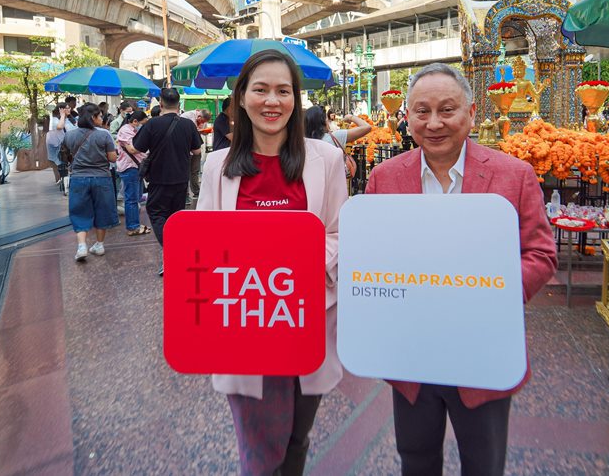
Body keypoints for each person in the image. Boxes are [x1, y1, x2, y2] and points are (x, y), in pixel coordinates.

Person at [365, 63, 557, 476]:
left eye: (447, 110)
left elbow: (540, 255)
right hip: (411, 354)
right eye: (422, 111)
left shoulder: (514, 176)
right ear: (408, 118)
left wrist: (488, 295)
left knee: (483, 463)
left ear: (470, 113)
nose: (434, 123)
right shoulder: (384, 179)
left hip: (483, 352)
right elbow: (367, 257)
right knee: (415, 459)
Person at [196, 49, 348, 476]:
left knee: (297, 441)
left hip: (307, 322)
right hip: (244, 329)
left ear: (295, 100)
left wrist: (301, 258)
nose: (272, 101)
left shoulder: (327, 160)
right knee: (259, 451)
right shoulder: (216, 167)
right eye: (260, 89)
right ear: (241, 97)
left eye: (284, 91)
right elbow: (204, 245)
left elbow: (339, 234)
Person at [132, 88, 202, 272]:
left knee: (156, 213)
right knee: (175, 217)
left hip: (159, 178)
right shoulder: (188, 125)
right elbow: (197, 151)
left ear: (161, 104)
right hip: (181, 178)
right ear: (179, 105)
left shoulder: (152, 124)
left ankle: (173, 253)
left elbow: (137, 147)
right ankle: (175, 254)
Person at [64, 103, 118, 260]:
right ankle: (99, 245)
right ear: (93, 117)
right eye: (100, 116)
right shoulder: (104, 135)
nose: (102, 118)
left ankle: (82, 246)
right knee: (102, 210)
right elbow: (112, 158)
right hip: (102, 178)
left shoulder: (70, 135)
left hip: (78, 178)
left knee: (80, 211)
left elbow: (68, 154)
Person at [116, 110, 151, 236]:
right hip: (129, 167)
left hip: (136, 167)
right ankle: (133, 227)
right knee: (131, 199)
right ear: (135, 121)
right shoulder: (125, 130)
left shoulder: (134, 130)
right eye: (143, 123)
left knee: (136, 197)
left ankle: (135, 224)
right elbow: (132, 149)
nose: (144, 126)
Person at [304, 105, 371, 149]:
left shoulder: (303, 144)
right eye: (326, 119)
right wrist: (350, 117)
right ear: (323, 122)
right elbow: (367, 127)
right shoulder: (335, 137)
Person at [181, 108, 211, 199]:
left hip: (196, 145)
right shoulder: (186, 116)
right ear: (199, 116)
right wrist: (198, 131)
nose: (202, 123)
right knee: (185, 171)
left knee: (195, 170)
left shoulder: (203, 119)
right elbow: (187, 132)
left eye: (204, 122)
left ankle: (196, 191)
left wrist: (205, 131)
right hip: (186, 147)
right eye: (202, 121)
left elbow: (201, 131)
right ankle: (185, 194)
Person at [47, 103, 75, 195]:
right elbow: (59, 127)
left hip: (70, 147)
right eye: (67, 108)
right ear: (61, 109)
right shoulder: (55, 120)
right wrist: (62, 115)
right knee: (63, 168)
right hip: (61, 148)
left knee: (68, 168)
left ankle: (67, 186)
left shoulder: (68, 120)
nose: (69, 109)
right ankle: (65, 188)